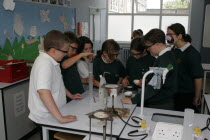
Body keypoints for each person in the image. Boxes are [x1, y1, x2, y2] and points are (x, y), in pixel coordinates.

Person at [121, 29, 177, 110]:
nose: (147, 49)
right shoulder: (165, 57)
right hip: (160, 101)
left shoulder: (165, 60)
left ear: (158, 44)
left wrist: (133, 100)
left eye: (148, 46)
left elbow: (154, 86)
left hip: (161, 104)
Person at [28, 30, 77, 124]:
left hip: (54, 113)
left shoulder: (53, 61)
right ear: (53, 50)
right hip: (45, 117)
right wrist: (60, 118)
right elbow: (43, 91)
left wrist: (70, 95)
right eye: (64, 51)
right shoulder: (44, 64)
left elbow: (58, 84)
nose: (66, 54)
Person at [167, 23, 204, 112]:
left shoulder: (192, 54)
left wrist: (197, 96)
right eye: (167, 35)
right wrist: (165, 70)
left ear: (179, 36)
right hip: (175, 91)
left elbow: (198, 77)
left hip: (186, 93)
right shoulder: (174, 50)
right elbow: (171, 65)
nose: (167, 37)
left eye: (170, 35)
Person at [60, 31, 94, 102]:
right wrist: (81, 55)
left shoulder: (72, 58)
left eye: (75, 49)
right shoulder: (62, 58)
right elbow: (64, 65)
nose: (74, 52)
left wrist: (85, 80)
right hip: (69, 97)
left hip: (78, 94)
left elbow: (73, 76)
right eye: (73, 49)